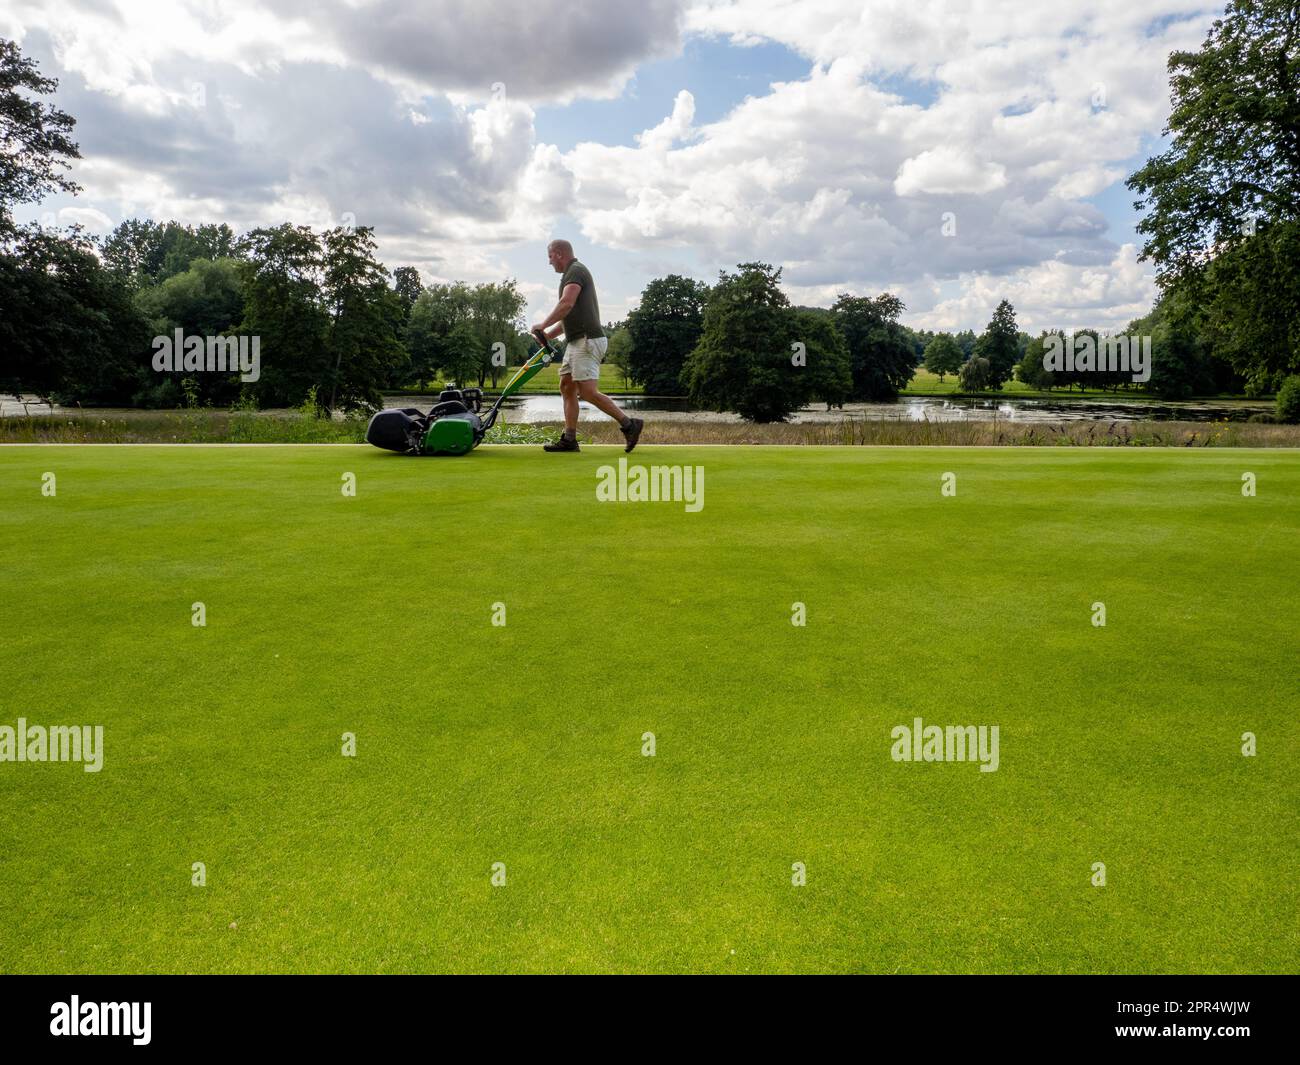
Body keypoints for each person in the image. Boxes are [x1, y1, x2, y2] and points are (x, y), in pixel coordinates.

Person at [531, 239, 643, 453]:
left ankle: (629, 424)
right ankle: (570, 440)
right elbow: (568, 317)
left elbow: (566, 304)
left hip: (587, 340)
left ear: (560, 254)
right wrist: (547, 334)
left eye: (550, 257)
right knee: (566, 386)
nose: (549, 262)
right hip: (576, 342)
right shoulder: (569, 275)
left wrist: (542, 324)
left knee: (588, 392)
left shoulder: (576, 271)